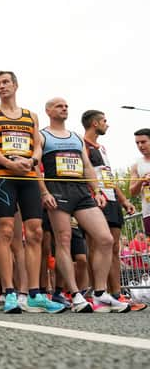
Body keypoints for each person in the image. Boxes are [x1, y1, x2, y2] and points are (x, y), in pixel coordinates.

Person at [0, 71, 58, 314]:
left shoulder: (30, 115)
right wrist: (9, 163)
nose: (1, 87)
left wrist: (33, 162)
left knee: (35, 233)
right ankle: (10, 292)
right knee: (4, 232)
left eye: (5, 82)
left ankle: (34, 293)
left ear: (15, 85)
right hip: (4, 177)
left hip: (28, 178)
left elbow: (37, 145)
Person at [39, 97, 127, 312]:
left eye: (66, 106)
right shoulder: (42, 135)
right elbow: (35, 167)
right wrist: (44, 192)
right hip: (58, 190)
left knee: (105, 239)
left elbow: (87, 167)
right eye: (59, 106)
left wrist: (96, 191)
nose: (64, 108)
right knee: (64, 241)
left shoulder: (77, 137)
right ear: (49, 110)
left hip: (81, 192)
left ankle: (99, 293)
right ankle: (76, 295)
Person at [81, 110, 143, 311]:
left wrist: (123, 200)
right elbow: (85, 174)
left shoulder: (103, 148)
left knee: (114, 247)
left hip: (113, 199)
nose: (107, 124)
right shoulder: (84, 145)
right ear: (95, 123)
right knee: (96, 247)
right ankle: (98, 292)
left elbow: (109, 177)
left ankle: (117, 293)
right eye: (104, 121)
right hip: (96, 199)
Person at [131, 129, 150, 235]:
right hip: (148, 212)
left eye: (143, 142)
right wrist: (141, 180)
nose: (140, 146)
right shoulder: (136, 165)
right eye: (137, 143)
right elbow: (132, 192)